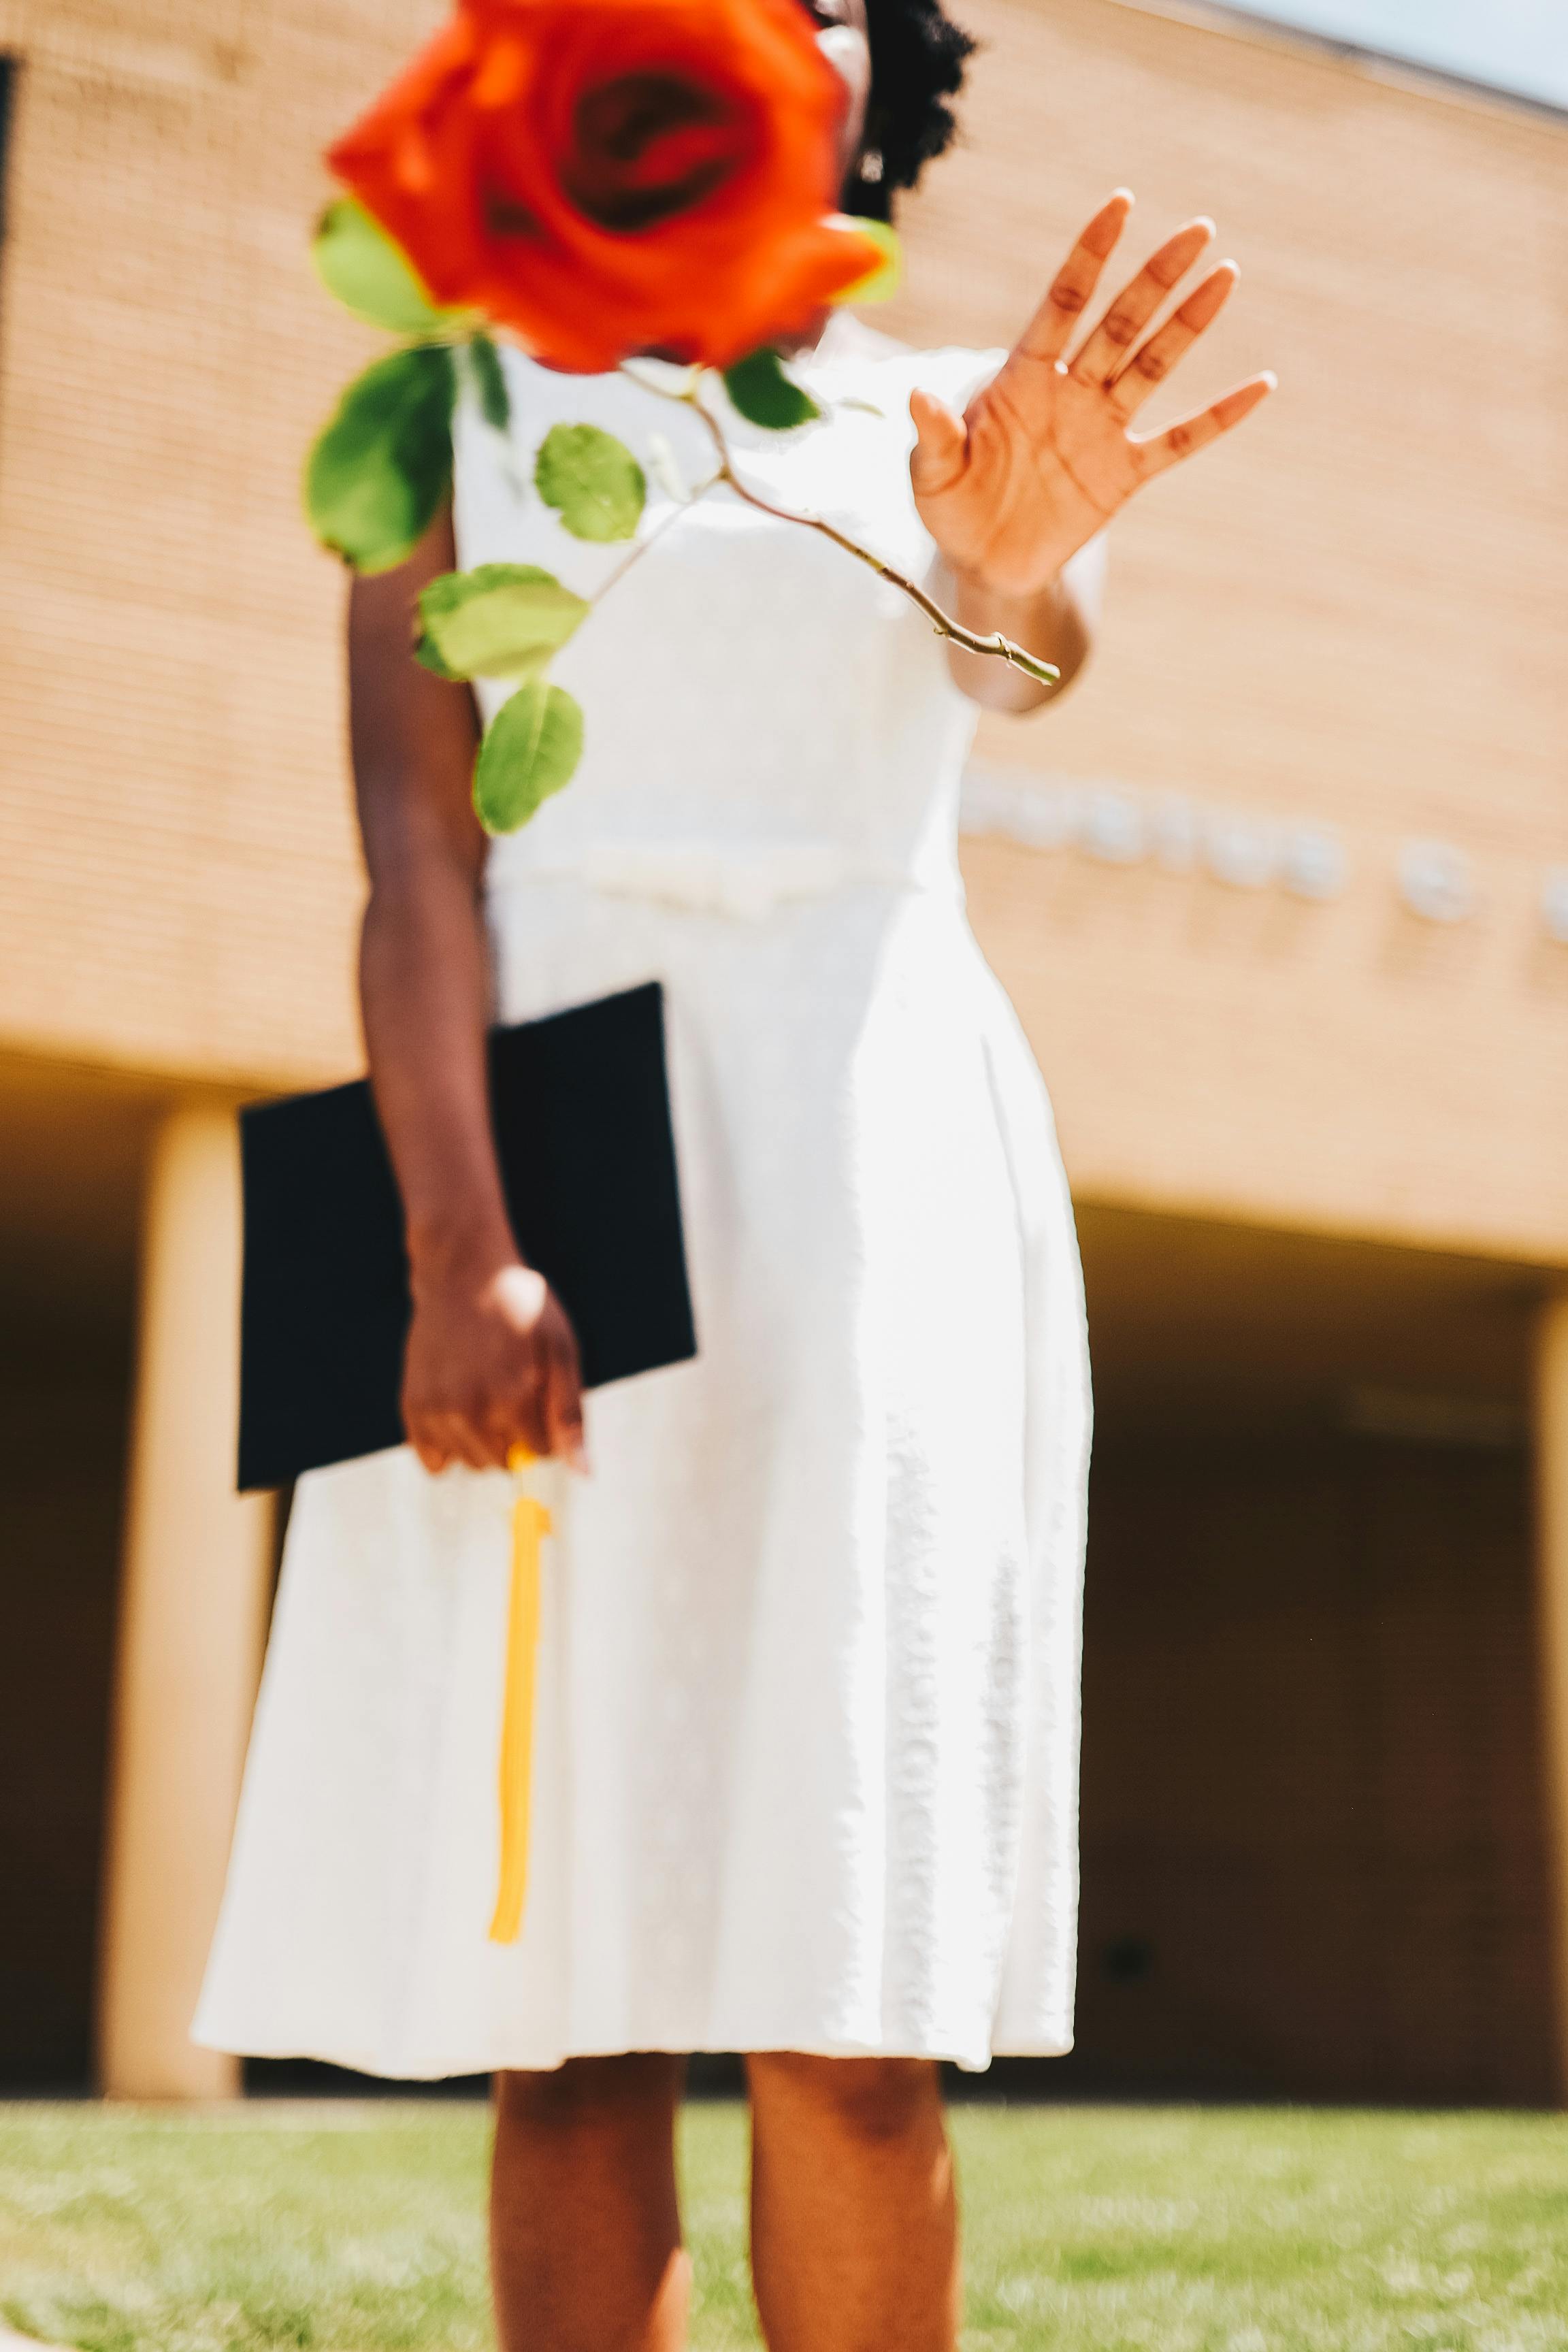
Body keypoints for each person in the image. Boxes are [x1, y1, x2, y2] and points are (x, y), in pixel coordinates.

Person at [196, 1, 1273, 2344]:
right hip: (538, 1154)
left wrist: (1010, 561)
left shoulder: (964, 410)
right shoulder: (440, 408)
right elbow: (417, 853)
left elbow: (1016, 648)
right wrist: (457, 1248)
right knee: (563, 2009)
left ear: (880, 71)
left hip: (870, 1167)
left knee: (848, 2002)